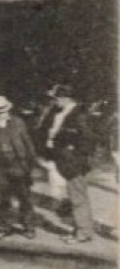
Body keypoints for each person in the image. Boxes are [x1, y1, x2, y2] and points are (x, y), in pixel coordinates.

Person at [43, 86, 102, 243]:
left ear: (65, 98)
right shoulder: (61, 112)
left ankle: (83, 233)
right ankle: (80, 230)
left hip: (74, 163)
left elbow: (90, 139)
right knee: (75, 196)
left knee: (78, 198)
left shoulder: (79, 114)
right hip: (66, 161)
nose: (53, 102)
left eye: (55, 99)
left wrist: (75, 155)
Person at [0, 94, 38, 238]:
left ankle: (29, 226)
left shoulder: (18, 122)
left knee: (24, 196)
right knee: (3, 197)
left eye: (4, 111)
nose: (3, 114)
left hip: (18, 163)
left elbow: (27, 143)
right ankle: (5, 226)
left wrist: (31, 164)